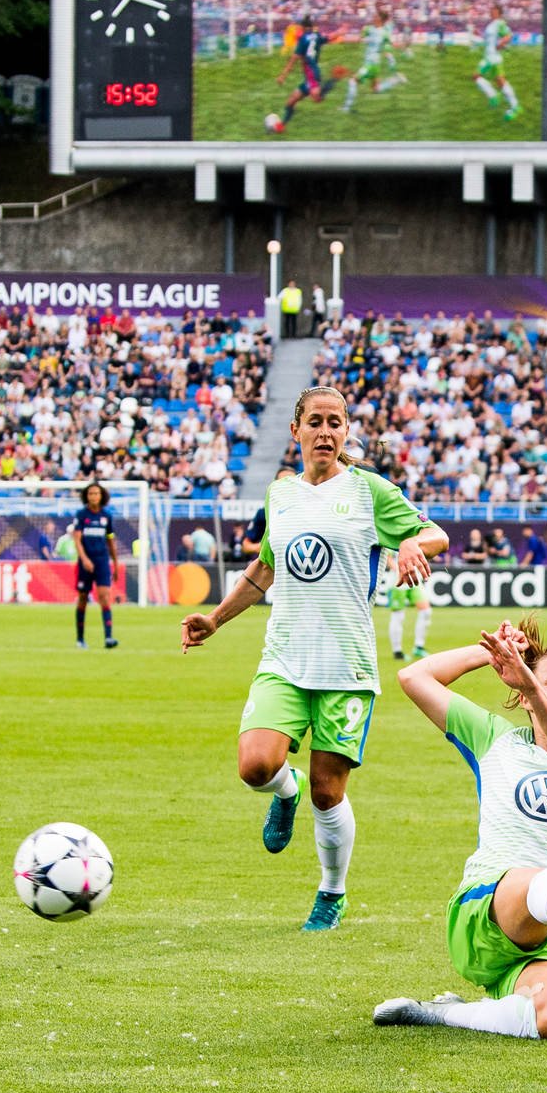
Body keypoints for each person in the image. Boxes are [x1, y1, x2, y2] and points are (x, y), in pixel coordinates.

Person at [180, 386, 449, 931]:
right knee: (256, 766)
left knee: (330, 792)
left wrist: (417, 543)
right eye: (316, 422)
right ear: (296, 430)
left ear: (346, 432)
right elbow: (263, 570)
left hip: (346, 665)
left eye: (336, 422)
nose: (326, 432)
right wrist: (215, 618)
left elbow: (435, 532)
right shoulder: (280, 495)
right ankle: (285, 790)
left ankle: (332, 892)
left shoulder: (370, 490)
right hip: (285, 656)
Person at [374, 617, 547, 1039]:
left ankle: (446, 1013)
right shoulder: (493, 739)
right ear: (524, 698)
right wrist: (491, 653)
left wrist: (531, 684)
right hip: (485, 908)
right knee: (532, 882)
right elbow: (414, 676)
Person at [70, 481, 121, 650]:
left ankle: (108, 637)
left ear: (102, 496)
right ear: (86, 496)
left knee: (105, 596)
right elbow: (77, 540)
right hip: (86, 561)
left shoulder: (107, 516)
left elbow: (110, 540)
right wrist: (84, 559)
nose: (93, 496)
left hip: (101, 561)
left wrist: (115, 563)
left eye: (96, 493)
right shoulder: (81, 515)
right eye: (91, 493)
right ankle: (80, 639)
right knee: (83, 598)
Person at [272, 16, 331, 132]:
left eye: (300, 27)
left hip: (312, 76)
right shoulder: (317, 35)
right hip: (311, 76)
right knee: (290, 102)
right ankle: (281, 126)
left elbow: (294, 59)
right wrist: (340, 32)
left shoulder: (303, 38)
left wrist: (283, 75)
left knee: (317, 98)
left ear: (303, 27)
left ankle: (333, 81)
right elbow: (328, 38)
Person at [471, 3, 521, 122]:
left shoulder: (499, 23)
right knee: (501, 82)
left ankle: (493, 96)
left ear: (499, 12)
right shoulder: (491, 25)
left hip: (491, 58)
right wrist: (479, 34)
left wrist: (501, 44)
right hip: (491, 56)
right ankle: (515, 107)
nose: (491, 12)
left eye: (493, 10)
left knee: (476, 76)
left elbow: (508, 35)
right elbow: (488, 40)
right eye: (491, 10)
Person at [382, 547, 434, 660]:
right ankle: (397, 652)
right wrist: (400, 571)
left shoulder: (413, 534)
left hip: (414, 578)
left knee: (426, 611)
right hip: (397, 581)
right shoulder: (392, 532)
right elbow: (388, 557)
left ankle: (418, 647)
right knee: (398, 616)